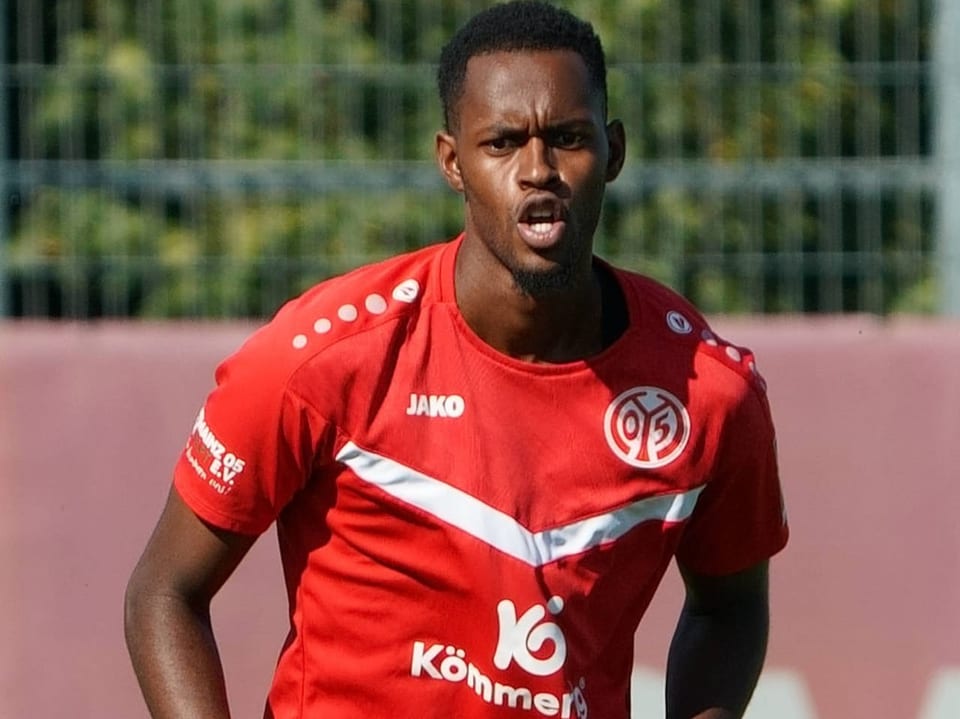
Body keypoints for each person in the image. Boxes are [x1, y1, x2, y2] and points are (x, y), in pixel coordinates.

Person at [124, 2, 788, 718]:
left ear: (614, 151)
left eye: (567, 138)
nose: (539, 170)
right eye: (503, 143)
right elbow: (163, 593)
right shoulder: (322, 359)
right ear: (453, 161)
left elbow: (730, 607)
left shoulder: (706, 391)